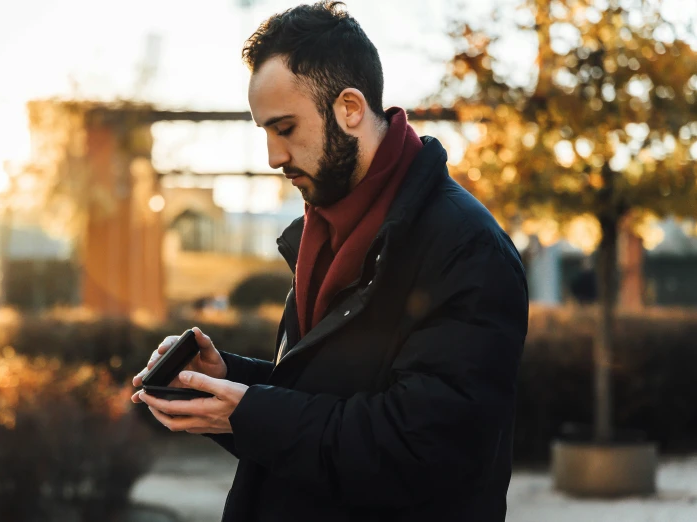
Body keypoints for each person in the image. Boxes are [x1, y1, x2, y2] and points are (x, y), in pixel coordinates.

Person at [131, 2, 529, 521]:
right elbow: (329, 391)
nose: (273, 156)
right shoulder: (324, 230)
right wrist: (228, 379)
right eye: (265, 133)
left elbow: (422, 451)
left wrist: (250, 412)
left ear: (349, 108)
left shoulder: (467, 249)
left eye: (286, 128)